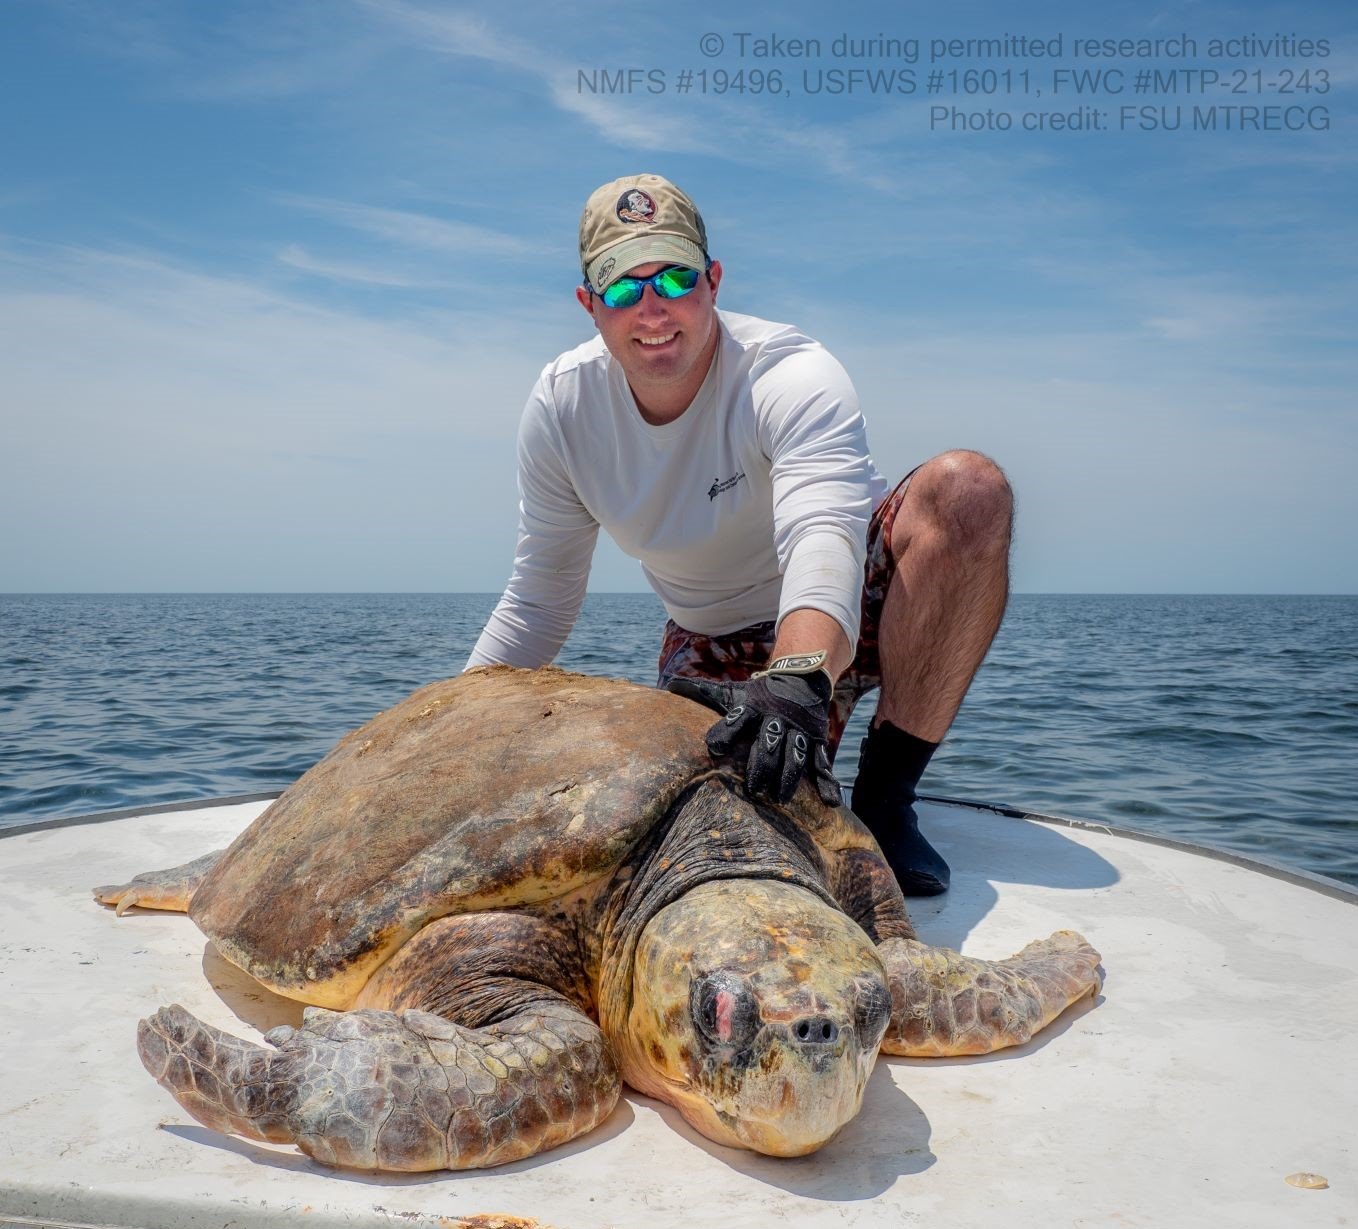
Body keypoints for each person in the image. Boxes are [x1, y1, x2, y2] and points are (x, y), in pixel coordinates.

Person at [465, 173, 1013, 896]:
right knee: (709, 851)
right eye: (623, 289)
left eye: (674, 276)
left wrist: (796, 681)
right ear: (589, 306)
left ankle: (887, 800)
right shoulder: (564, 410)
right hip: (717, 642)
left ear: (714, 281)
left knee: (969, 492)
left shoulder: (790, 373)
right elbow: (539, 601)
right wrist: (446, 735)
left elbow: (825, 540)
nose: (653, 306)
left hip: (863, 601)